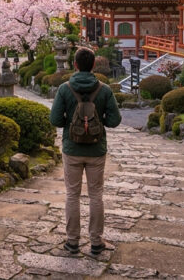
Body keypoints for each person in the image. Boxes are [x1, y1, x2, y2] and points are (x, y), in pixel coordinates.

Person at [49, 46, 122, 256]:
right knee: (96, 195)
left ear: (74, 64)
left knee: (72, 194)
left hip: (72, 149)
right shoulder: (104, 89)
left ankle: (72, 242)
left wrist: (70, 125)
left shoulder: (64, 88)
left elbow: (54, 119)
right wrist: (98, 122)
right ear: (93, 65)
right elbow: (115, 120)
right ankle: (96, 242)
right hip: (96, 150)